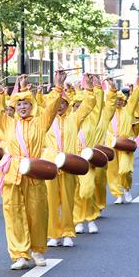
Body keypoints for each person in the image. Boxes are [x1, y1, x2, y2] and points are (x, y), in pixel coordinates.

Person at [0, 72, 65, 270]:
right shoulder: (7, 123)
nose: (22, 107)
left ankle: (37, 250)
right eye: (18, 104)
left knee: (37, 213)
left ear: (32, 106)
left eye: (25, 104)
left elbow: (53, 108)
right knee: (13, 213)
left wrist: (58, 87)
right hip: (13, 173)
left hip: (34, 172)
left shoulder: (40, 122)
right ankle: (19, 254)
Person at [45, 76, 95, 247]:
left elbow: (88, 106)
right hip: (51, 166)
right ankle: (54, 234)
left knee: (67, 201)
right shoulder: (46, 120)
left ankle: (67, 232)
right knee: (51, 202)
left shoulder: (75, 118)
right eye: (57, 103)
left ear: (67, 105)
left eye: (63, 103)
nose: (59, 106)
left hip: (69, 164)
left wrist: (89, 89)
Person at [73, 78, 117, 235]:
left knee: (89, 189)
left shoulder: (96, 119)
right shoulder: (69, 123)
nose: (79, 110)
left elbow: (103, 106)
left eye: (81, 107)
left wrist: (102, 89)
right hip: (72, 162)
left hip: (92, 159)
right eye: (76, 107)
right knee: (76, 193)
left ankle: (92, 216)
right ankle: (78, 220)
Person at [106, 78, 139, 203]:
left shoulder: (128, 110)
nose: (119, 102)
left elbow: (133, 100)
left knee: (125, 169)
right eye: (116, 100)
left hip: (125, 143)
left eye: (121, 100)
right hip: (111, 144)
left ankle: (126, 188)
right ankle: (118, 195)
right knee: (112, 171)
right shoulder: (107, 112)